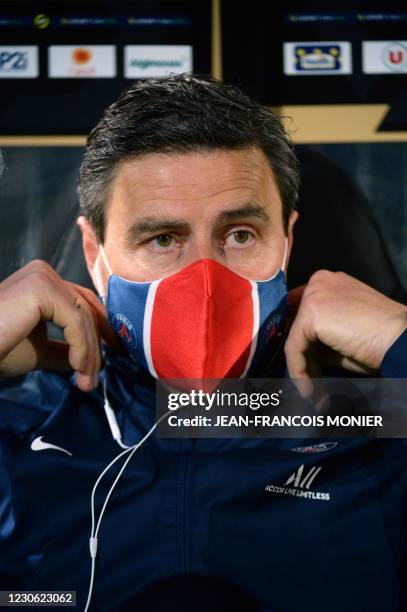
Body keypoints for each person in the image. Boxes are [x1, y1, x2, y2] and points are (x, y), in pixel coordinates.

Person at [0, 74, 406, 612]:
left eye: (240, 234)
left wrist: (399, 338)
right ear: (94, 253)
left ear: (286, 240)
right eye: (162, 239)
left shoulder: (375, 418)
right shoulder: (22, 430)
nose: (205, 282)